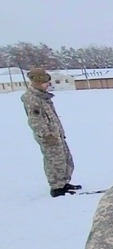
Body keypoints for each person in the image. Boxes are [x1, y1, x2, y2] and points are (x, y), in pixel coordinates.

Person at [21, 68, 78, 197]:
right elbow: (36, 120)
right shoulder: (32, 99)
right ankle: (56, 187)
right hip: (48, 136)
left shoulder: (43, 96)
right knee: (54, 161)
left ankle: (63, 183)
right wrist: (46, 135)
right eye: (44, 82)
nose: (48, 85)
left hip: (56, 134)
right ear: (36, 82)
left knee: (65, 159)